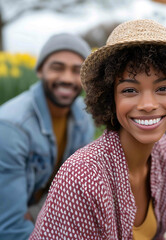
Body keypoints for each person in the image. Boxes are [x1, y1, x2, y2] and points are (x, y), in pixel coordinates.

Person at [30, 20, 166, 240]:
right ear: (110, 98)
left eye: (163, 88)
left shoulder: (164, 154)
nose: (148, 104)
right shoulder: (83, 177)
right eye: (130, 90)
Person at [0, 33, 95, 239]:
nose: (67, 78)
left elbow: (76, 193)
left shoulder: (82, 117)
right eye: (57, 67)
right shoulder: (11, 127)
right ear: (40, 71)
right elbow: (10, 227)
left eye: (76, 70)